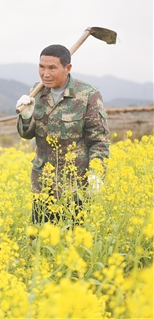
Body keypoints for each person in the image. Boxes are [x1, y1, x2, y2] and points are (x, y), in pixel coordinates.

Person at [16, 44, 110, 224]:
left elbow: (99, 141)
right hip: (43, 185)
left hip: (75, 186)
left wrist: (96, 173)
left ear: (68, 68)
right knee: (42, 242)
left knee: (73, 243)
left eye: (52, 68)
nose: (45, 74)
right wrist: (26, 117)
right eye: (41, 67)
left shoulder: (87, 94)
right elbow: (26, 135)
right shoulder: (37, 92)